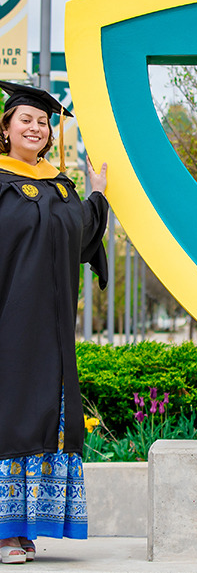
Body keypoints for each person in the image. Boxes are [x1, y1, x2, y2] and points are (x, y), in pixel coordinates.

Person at [0, 81, 108, 564]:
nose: (36, 127)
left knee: (47, 413)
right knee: (9, 412)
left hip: (53, 326)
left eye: (42, 121)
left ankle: (22, 529)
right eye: (25, 119)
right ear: (5, 129)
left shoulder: (59, 186)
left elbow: (80, 234)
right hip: (7, 319)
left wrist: (95, 197)